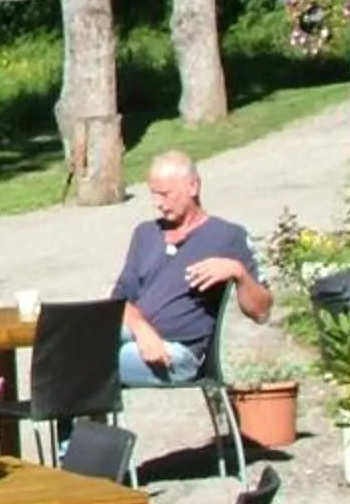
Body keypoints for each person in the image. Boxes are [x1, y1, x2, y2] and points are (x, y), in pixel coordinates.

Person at [112, 149, 270, 386]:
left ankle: (81, 422)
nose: (158, 204)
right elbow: (120, 302)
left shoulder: (227, 236)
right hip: (138, 337)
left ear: (193, 187)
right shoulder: (145, 234)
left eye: (165, 194)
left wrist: (238, 272)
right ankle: (83, 422)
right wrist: (142, 330)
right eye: (153, 194)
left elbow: (262, 311)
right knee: (71, 342)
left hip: (178, 353)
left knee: (92, 360)